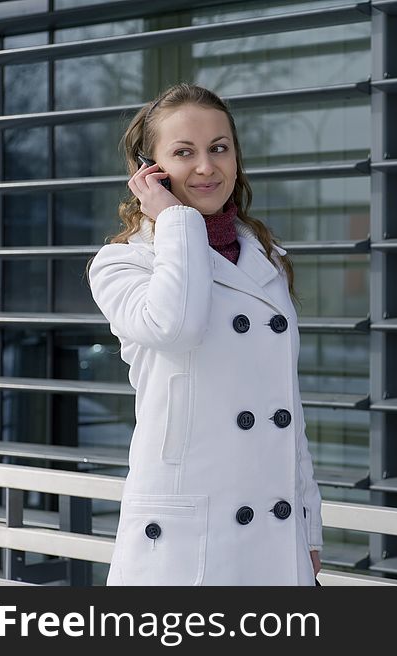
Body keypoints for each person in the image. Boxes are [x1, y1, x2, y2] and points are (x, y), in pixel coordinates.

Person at [87, 82, 323, 586]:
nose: (206, 167)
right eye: (183, 152)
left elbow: (286, 408)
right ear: (147, 171)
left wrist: (306, 525)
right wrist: (175, 219)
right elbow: (175, 325)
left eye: (219, 148)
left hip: (272, 525)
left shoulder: (265, 258)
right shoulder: (123, 262)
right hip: (185, 535)